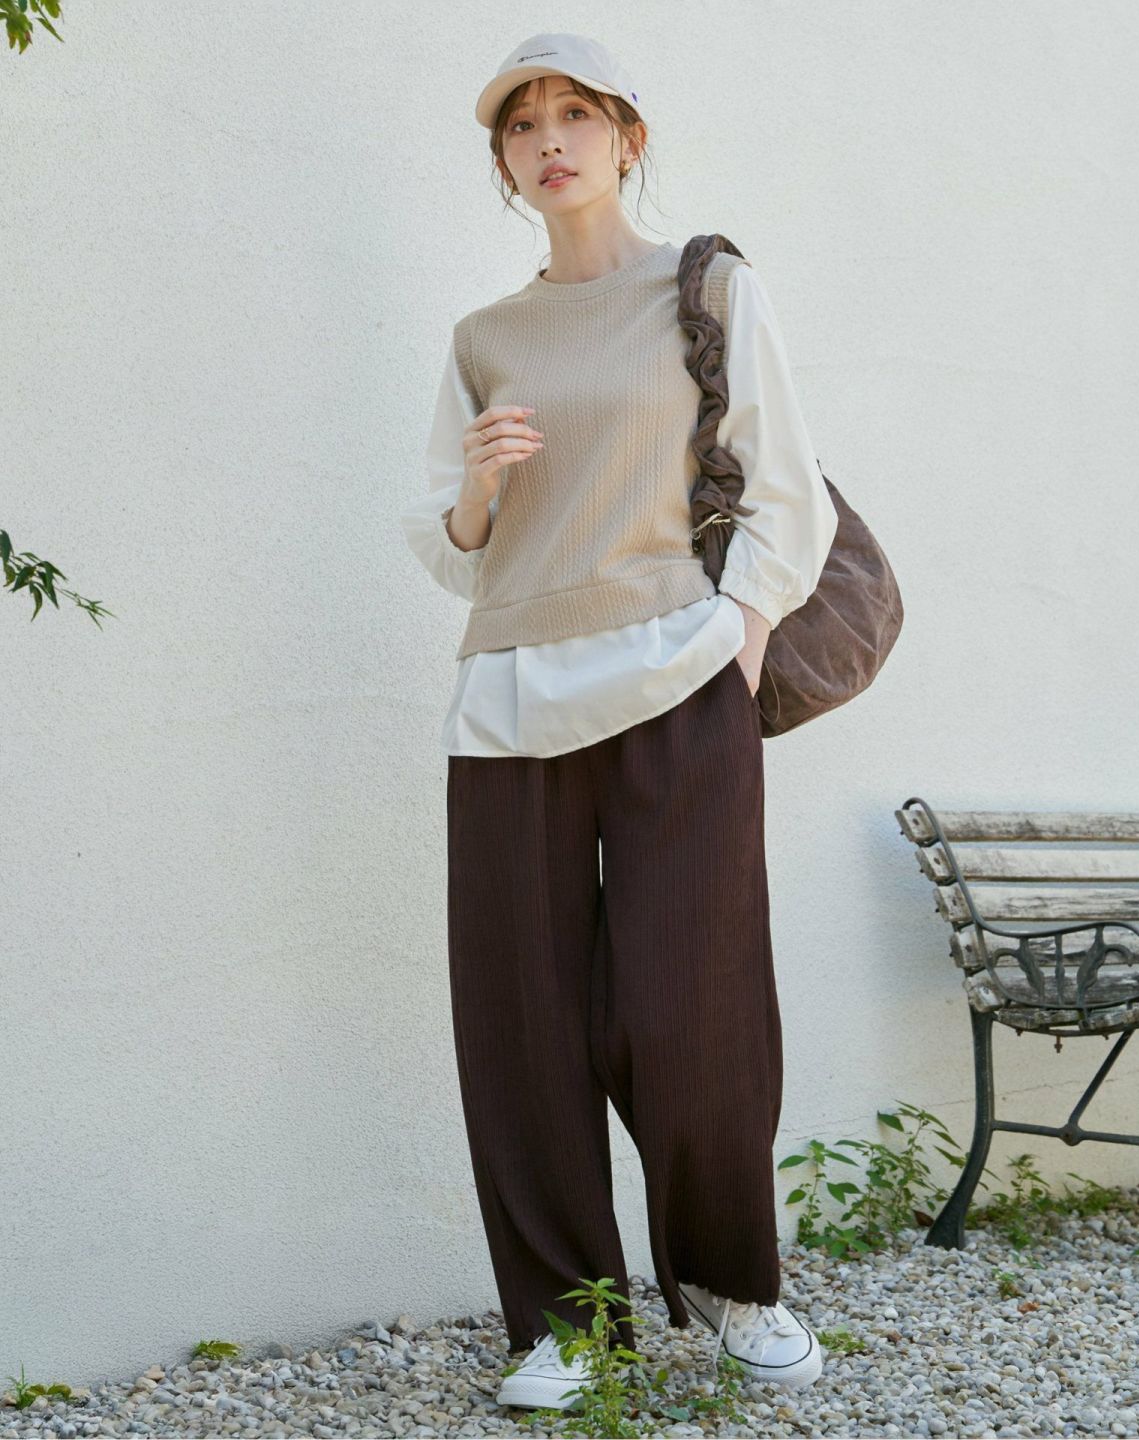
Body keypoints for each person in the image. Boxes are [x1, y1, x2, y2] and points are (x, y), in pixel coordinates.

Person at [399, 32, 837, 1414]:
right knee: (519, 1022)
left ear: (627, 137)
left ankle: (735, 1286)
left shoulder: (708, 287)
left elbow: (783, 486)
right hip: (509, 698)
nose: (549, 140)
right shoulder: (485, 338)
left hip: (677, 679)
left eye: (576, 114)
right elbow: (450, 544)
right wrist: (478, 488)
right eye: (522, 123)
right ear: (503, 160)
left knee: (693, 1002)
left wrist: (739, 637)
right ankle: (570, 1323)